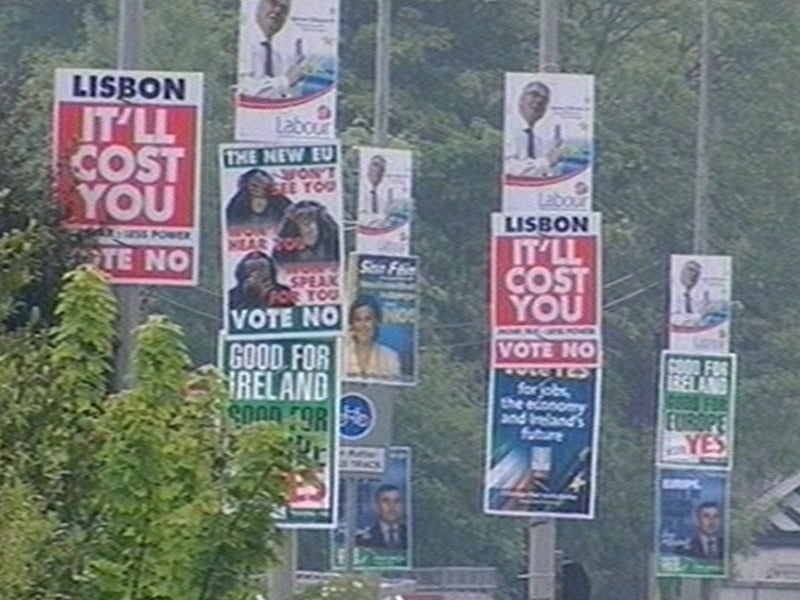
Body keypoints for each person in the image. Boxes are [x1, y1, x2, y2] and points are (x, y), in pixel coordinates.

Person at [238, 0, 307, 99]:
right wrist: (286, 80)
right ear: (259, 6)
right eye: (273, 3)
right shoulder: (243, 41)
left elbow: (281, 93)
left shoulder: (277, 54)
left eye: (284, 8)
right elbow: (244, 91)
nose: (278, 10)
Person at [505, 80, 564, 178]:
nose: (539, 101)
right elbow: (508, 168)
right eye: (534, 95)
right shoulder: (508, 130)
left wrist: (555, 152)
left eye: (544, 99)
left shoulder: (540, 142)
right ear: (521, 99)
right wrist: (546, 161)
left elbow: (545, 173)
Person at [344, 295, 401, 380]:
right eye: (358, 320)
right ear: (351, 324)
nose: (363, 325)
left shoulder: (390, 357)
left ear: (377, 322)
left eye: (368, 319)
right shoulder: (341, 355)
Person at [272, 200, 340, 264]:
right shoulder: (282, 252)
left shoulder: (334, 239)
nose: (311, 227)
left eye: (313, 220)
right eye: (305, 222)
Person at [226, 168, 293, 229]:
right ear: (246, 185)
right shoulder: (237, 204)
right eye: (255, 185)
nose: (260, 189)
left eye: (264, 185)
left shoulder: (282, 203)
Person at [228, 251, 296, 309]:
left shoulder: (282, 291)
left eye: (261, 267)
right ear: (243, 271)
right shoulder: (233, 294)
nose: (257, 272)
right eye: (252, 268)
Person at [355, 483, 408, 550]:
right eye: (386, 501)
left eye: (397, 501)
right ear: (375, 505)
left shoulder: (412, 536)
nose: (392, 506)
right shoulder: (362, 538)